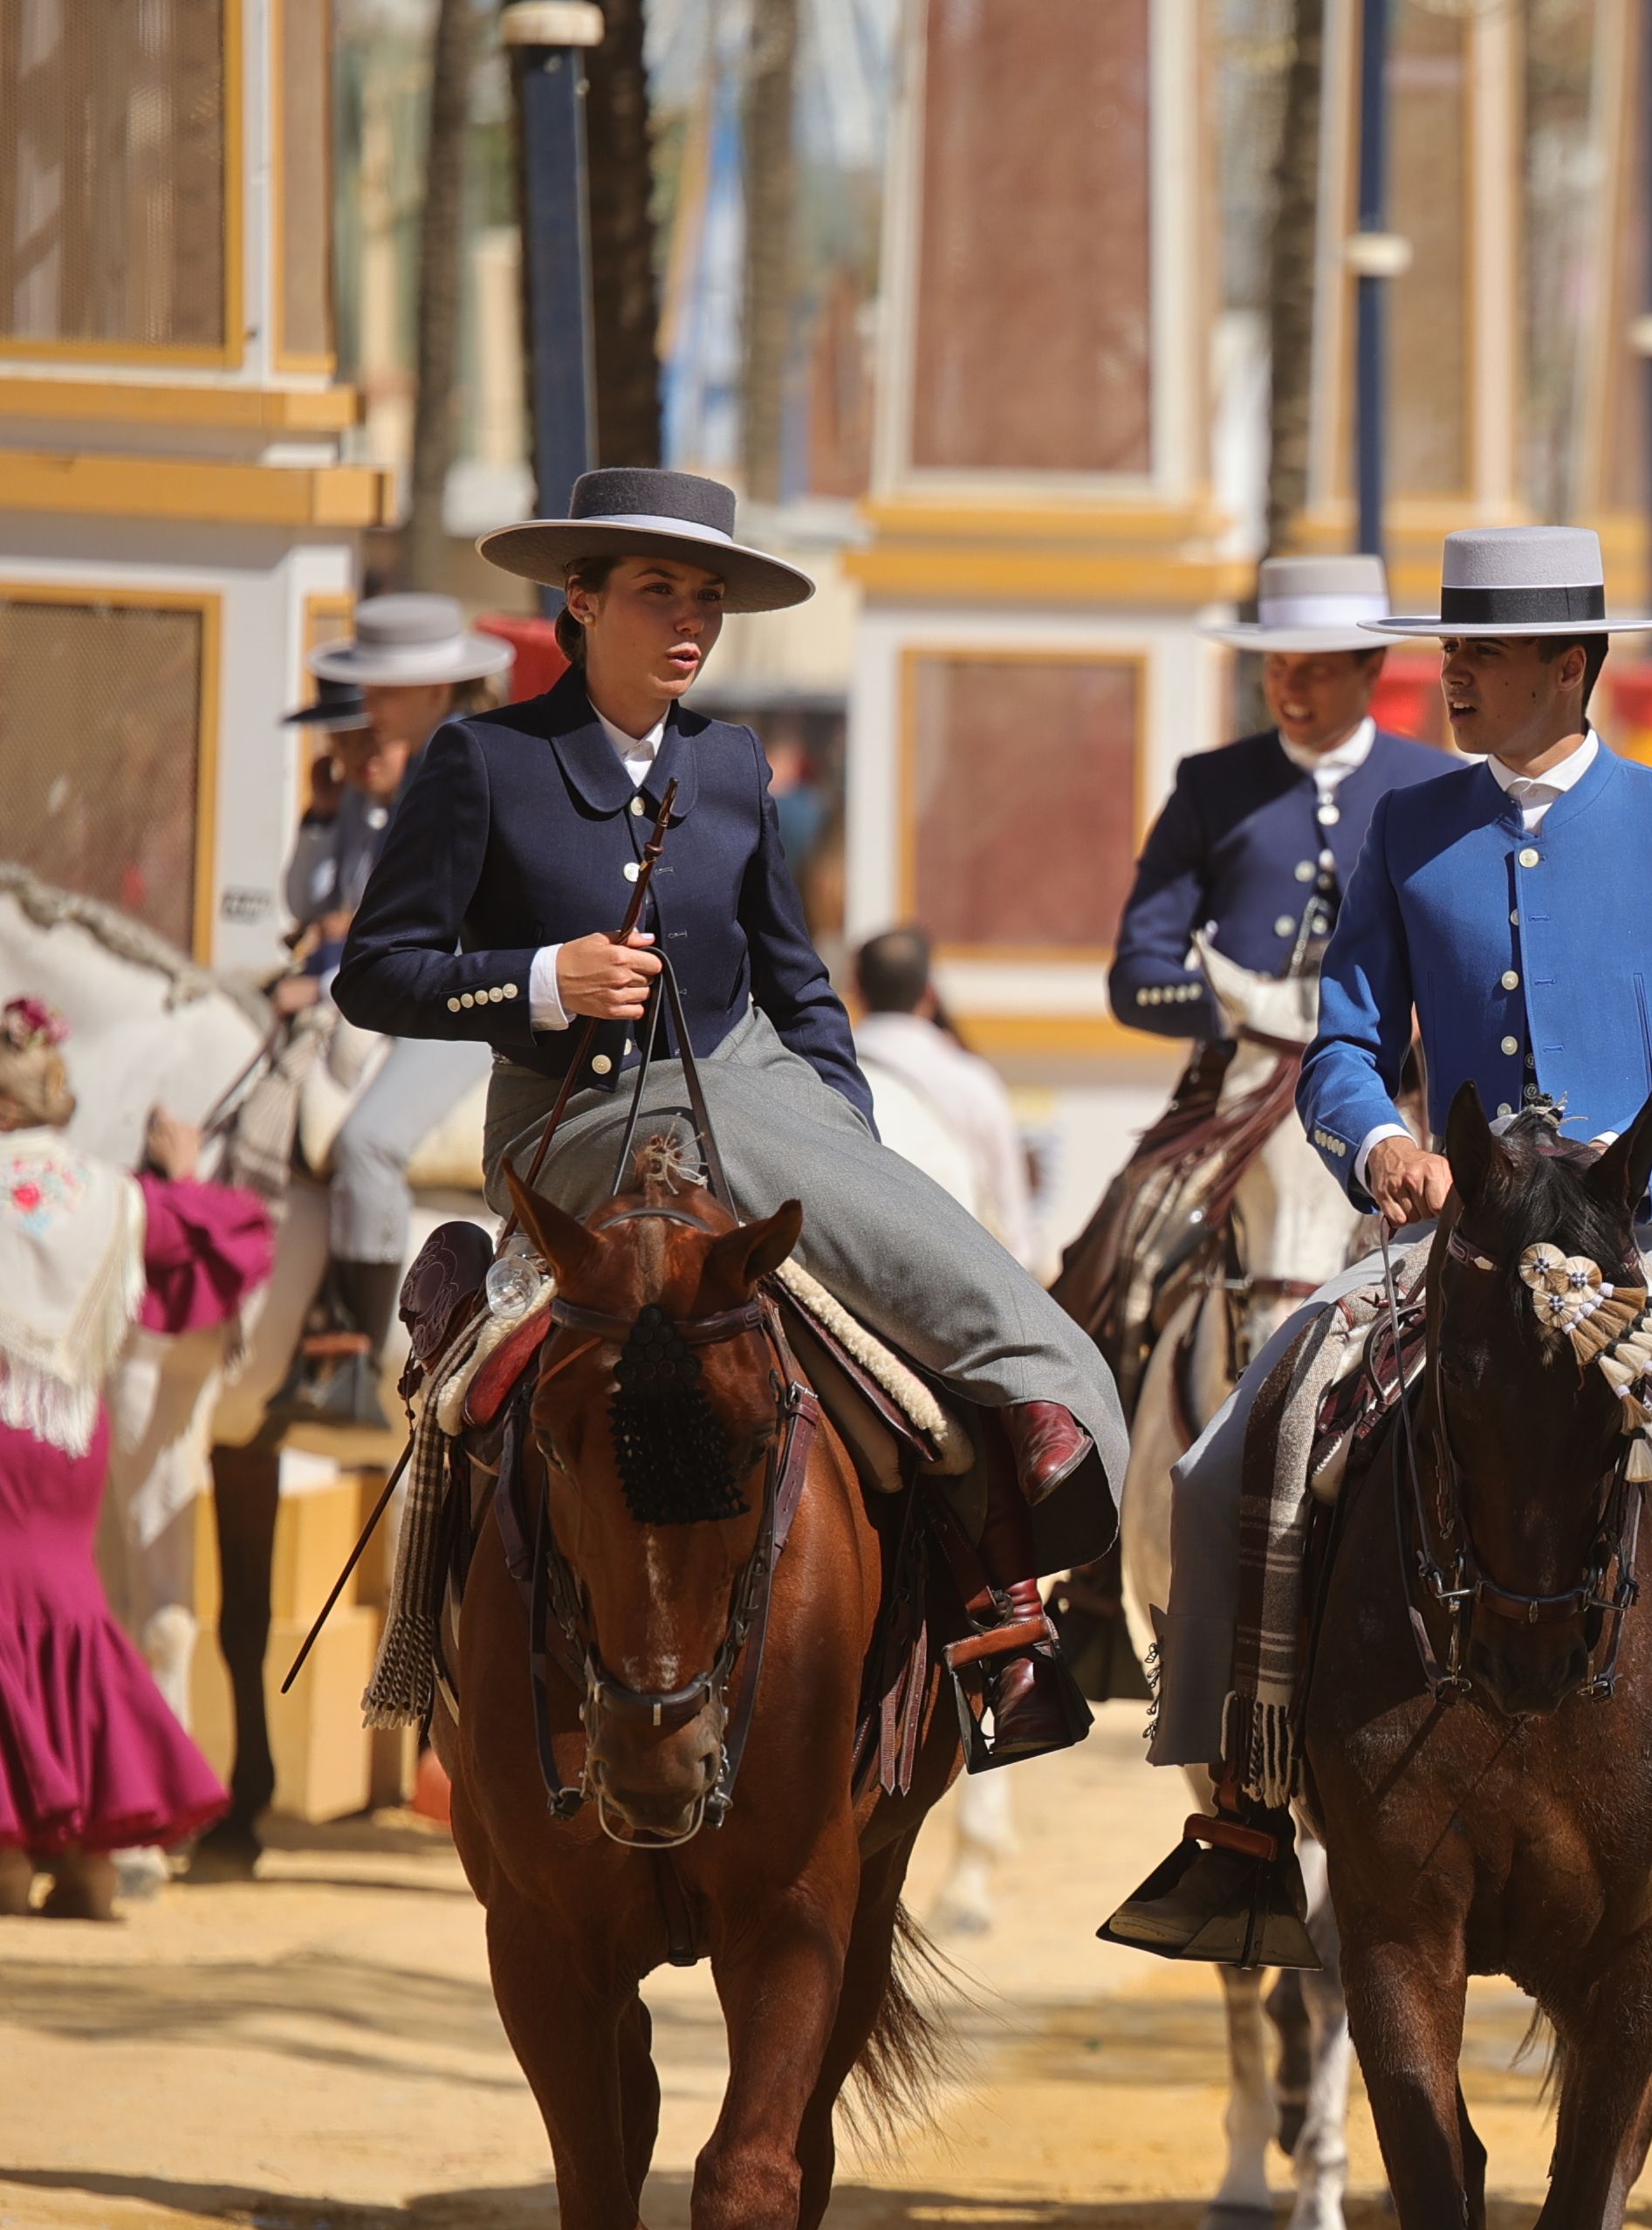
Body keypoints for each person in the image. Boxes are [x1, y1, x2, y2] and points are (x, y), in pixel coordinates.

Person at [1103, 524, 1652, 1996]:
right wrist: (1374, 1143)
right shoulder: (1411, 827)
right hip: (1441, 1252)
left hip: (1634, 1256)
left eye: (1483, 651)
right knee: (1221, 1467)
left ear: (1569, 666)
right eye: (1446, 647)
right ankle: (1246, 1827)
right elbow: (1343, 1041)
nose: (1447, 672)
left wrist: (1611, 1163)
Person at [336, 466, 1127, 1766]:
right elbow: (376, 971)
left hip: (752, 1083)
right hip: (574, 1123)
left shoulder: (737, 760)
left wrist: (847, 1130)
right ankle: (1029, 1418)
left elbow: (797, 979)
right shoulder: (480, 763)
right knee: (752, 1172)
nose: (692, 620)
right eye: (659, 593)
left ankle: (1002, 1576)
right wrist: (543, 980)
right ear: (579, 602)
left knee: (872, 1229)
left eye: (708, 596)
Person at [0, 998, 276, 1917]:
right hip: (71, 1434)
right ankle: (83, 1857)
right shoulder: (112, 1197)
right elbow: (230, 1229)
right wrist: (185, 1175)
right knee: (73, 1614)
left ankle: (8, 1851)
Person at [280, 595, 508, 1427]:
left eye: (382, 692)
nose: (363, 714)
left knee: (370, 1141)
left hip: (459, 1000)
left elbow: (424, 920)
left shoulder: (464, 767)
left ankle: (355, 1366)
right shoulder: (415, 778)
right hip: (391, 994)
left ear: (438, 688)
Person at [1105, 551, 1473, 1065]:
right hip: (1239, 1078)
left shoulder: (1443, 785)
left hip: (1399, 1080)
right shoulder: (1209, 785)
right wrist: (1244, 1006)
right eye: (1278, 666)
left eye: (1316, 670)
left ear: (1372, 668)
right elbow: (1138, 973)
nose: (1289, 688)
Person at [849, 928, 1039, 1273]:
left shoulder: (824, 1074)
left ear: (857, 990)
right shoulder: (971, 1082)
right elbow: (1015, 1232)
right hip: (959, 1284)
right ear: (929, 992)